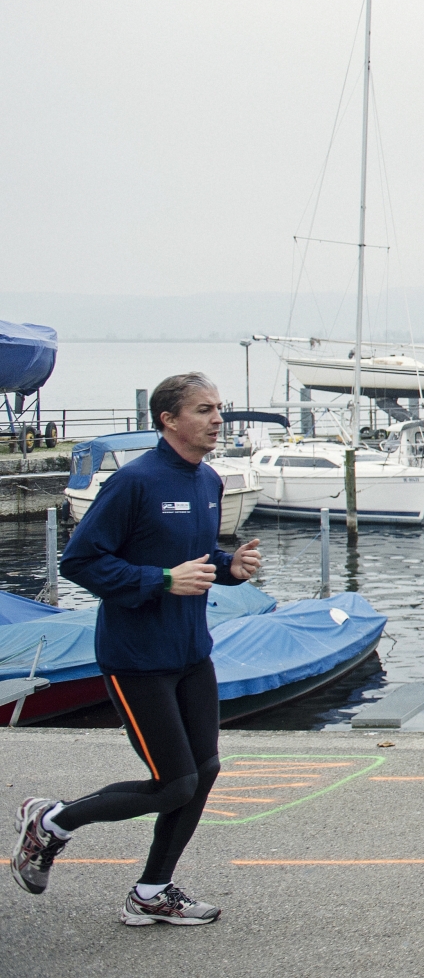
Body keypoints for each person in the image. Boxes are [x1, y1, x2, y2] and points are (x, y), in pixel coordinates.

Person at [11, 373, 263, 924]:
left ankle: (152, 892)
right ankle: (51, 821)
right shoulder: (135, 483)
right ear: (169, 420)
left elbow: (192, 558)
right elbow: (79, 562)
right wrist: (161, 582)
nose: (218, 418)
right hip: (137, 657)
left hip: (192, 651)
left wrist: (229, 569)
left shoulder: (210, 481)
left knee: (205, 768)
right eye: (204, 409)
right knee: (174, 782)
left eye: (220, 408)